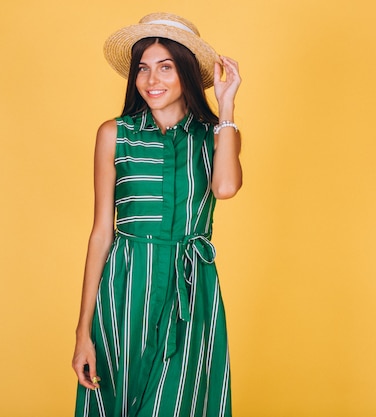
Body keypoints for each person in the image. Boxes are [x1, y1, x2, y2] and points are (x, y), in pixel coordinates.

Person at [71, 12, 242, 417]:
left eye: (165, 67)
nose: (152, 81)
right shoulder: (114, 134)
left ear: (185, 71)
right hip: (125, 292)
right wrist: (83, 331)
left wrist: (228, 104)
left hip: (191, 290)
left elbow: (226, 188)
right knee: (119, 401)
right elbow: (101, 233)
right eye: (143, 69)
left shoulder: (216, 135)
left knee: (181, 403)